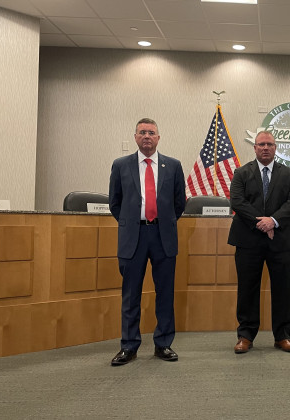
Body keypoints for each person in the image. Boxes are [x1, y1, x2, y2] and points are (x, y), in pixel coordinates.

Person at [108, 118, 186, 366]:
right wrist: (132, 222)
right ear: (135, 137)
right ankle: (129, 346)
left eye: (151, 132)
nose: (147, 136)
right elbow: (115, 202)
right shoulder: (121, 165)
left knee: (165, 293)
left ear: (158, 137)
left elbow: (179, 203)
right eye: (142, 132)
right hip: (134, 237)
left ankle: (163, 344)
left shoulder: (173, 165)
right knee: (131, 294)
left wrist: (160, 221)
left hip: (163, 236)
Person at [228, 131, 290, 354]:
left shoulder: (288, 174)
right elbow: (237, 201)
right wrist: (262, 222)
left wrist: (274, 221)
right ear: (255, 148)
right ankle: (245, 335)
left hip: (280, 241)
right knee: (248, 289)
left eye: (269, 144)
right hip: (248, 240)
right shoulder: (241, 172)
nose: (265, 148)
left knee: (281, 290)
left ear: (275, 147)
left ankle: (282, 336)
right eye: (261, 144)